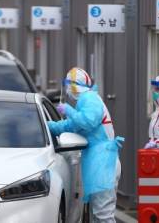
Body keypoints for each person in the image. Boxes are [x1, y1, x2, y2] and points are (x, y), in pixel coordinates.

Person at [48, 67, 124, 223]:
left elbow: (88, 121)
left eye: (69, 84)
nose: (67, 89)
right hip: (100, 163)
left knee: (103, 215)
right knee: (98, 215)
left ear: (76, 84)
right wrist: (49, 125)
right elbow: (70, 126)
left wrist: (67, 110)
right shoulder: (85, 103)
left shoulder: (90, 98)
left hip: (103, 164)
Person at [145, 75, 159, 149]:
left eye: (158, 89)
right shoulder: (155, 115)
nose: (155, 93)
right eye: (156, 89)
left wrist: (155, 143)